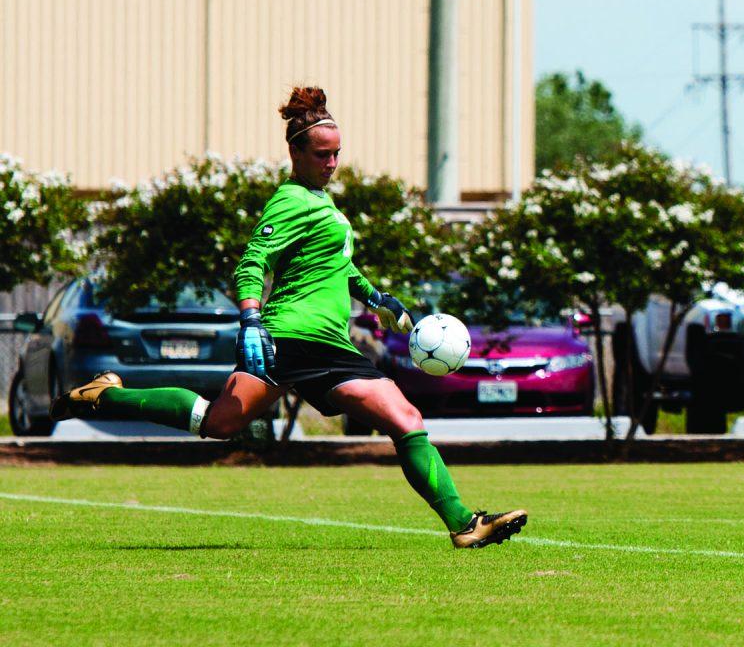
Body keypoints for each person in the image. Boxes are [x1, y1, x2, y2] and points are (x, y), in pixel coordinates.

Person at [52, 86, 527, 549]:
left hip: (331, 344)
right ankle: (107, 397)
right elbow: (252, 260)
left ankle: (465, 524)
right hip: (291, 338)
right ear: (296, 153)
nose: (333, 163)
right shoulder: (292, 199)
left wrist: (375, 297)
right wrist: (251, 319)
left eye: (338, 153)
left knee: (394, 418)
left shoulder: (323, 200)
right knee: (226, 424)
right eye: (323, 155)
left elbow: (338, 265)